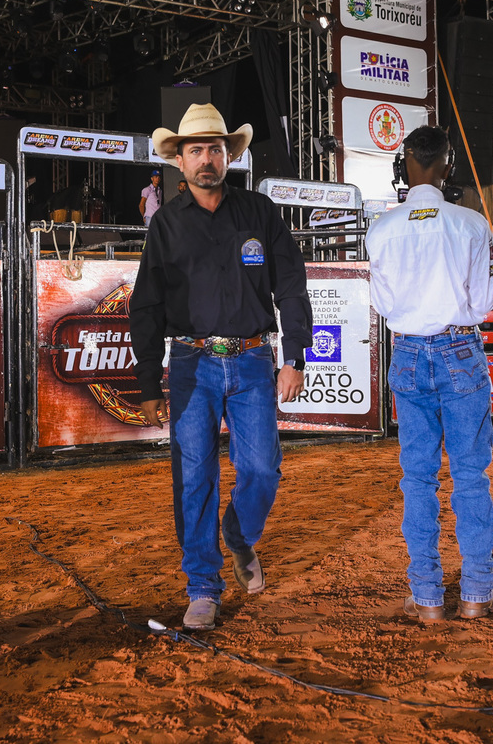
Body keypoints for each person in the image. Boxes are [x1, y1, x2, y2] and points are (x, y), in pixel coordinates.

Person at [130, 103, 311, 631]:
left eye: (215, 149)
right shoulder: (166, 225)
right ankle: (203, 587)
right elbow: (147, 305)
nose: (206, 159)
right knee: (194, 479)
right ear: (179, 161)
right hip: (191, 364)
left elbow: (291, 285)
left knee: (262, 471)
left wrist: (294, 357)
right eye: (196, 150)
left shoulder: (260, 212)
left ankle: (238, 534)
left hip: (254, 360)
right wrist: (148, 381)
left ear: (229, 156)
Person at [365, 126, 493, 622]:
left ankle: (426, 597)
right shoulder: (471, 223)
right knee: (470, 474)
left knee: (418, 477)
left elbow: (382, 303)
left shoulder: (381, 229)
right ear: (448, 165)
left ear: (405, 166)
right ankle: (477, 593)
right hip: (459, 346)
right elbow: (483, 302)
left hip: (408, 350)